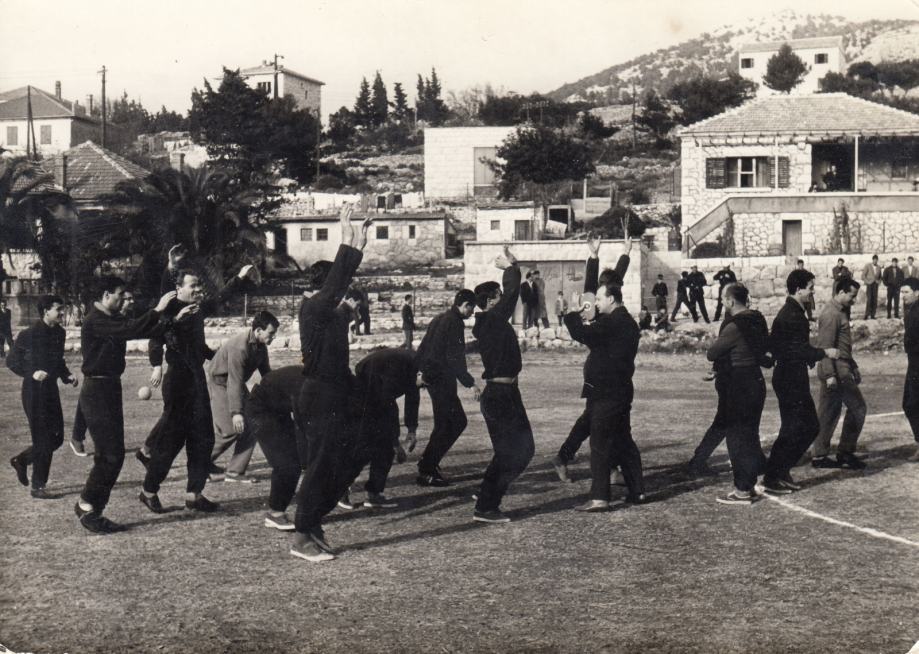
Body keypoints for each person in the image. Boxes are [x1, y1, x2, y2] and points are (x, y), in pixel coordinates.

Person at [291, 204, 372, 562]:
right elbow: (339, 279)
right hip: (319, 396)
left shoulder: (333, 314)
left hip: (338, 394)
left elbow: (342, 287)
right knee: (321, 464)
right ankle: (302, 535)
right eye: (335, 290)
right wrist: (347, 235)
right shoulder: (312, 308)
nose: (341, 295)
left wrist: (361, 242)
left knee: (358, 452)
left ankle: (315, 521)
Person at [70, 279, 179, 532]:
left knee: (112, 454)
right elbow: (131, 329)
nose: (124, 300)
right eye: (121, 295)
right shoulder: (97, 319)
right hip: (97, 390)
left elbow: (139, 329)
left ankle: (89, 506)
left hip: (108, 388)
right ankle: (88, 508)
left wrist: (172, 319)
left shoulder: (111, 317)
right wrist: (158, 310)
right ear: (106, 294)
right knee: (110, 456)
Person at [139, 269, 229, 514]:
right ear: (179, 287)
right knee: (170, 441)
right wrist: (157, 365)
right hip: (177, 379)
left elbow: (199, 346)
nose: (198, 289)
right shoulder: (170, 306)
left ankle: (194, 494)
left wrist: (221, 358)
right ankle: (148, 491)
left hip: (196, 379)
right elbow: (155, 336)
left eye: (199, 285)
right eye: (193, 285)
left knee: (203, 438)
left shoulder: (197, 310)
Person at [564, 255, 643, 512]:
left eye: (599, 299)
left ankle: (600, 497)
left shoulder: (612, 322)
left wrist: (572, 313)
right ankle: (637, 491)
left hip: (606, 393)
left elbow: (581, 333)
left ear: (610, 298)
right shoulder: (627, 321)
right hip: (621, 390)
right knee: (624, 441)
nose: (596, 303)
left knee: (599, 444)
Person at [552, 233, 632, 481]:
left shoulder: (610, 298)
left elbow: (615, 279)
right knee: (604, 420)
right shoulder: (595, 302)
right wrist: (595, 257)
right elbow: (589, 286)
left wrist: (624, 253)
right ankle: (609, 468)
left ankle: (571, 458)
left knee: (597, 419)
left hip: (609, 370)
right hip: (601, 370)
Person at [471, 246, 534, 523]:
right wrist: (512, 268)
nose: (504, 301)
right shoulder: (490, 320)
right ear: (490, 302)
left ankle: (486, 496)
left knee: (523, 450)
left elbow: (509, 296)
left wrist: (513, 269)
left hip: (508, 392)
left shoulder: (492, 321)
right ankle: (486, 505)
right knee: (513, 452)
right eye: (498, 297)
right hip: (498, 395)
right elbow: (512, 294)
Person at [762, 269, 839, 495]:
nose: (812, 291)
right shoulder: (792, 315)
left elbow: (780, 346)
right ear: (799, 289)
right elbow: (797, 349)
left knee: (797, 427)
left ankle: (779, 472)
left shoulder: (791, 312)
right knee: (803, 427)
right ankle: (772, 476)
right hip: (790, 378)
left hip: (790, 376)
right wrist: (825, 353)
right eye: (810, 287)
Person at [704, 284, 772, 505]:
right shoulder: (758, 319)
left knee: (737, 437)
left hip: (739, 382)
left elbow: (712, 353)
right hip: (755, 380)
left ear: (731, 301)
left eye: (724, 299)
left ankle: (742, 489)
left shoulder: (734, 326)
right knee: (749, 433)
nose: (723, 302)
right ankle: (749, 483)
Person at [7, 295, 77, 499]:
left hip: (50, 391)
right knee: (43, 439)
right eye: (58, 309)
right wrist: (32, 373)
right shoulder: (29, 334)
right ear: (46, 311)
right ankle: (38, 486)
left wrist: (67, 375)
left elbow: (58, 360)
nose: (62, 313)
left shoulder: (60, 333)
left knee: (56, 439)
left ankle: (21, 460)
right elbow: (12, 361)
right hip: (33, 392)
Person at [414, 289, 480, 487]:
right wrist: (470, 383)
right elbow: (455, 357)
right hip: (441, 380)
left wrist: (420, 372)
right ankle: (427, 469)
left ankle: (428, 464)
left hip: (434, 379)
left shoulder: (440, 318)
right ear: (465, 304)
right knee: (455, 422)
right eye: (471, 307)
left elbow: (423, 347)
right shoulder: (454, 322)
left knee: (446, 424)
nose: (472, 312)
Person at [206, 310, 278, 483]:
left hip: (235, 384)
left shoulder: (261, 346)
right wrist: (236, 412)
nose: (273, 337)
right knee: (230, 430)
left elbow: (266, 374)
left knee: (253, 424)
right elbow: (234, 380)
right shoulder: (240, 346)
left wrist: (280, 395)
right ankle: (199, 464)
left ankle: (235, 472)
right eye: (271, 333)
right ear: (259, 331)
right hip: (221, 383)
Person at [70, 288, 141, 457]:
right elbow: (128, 329)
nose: (130, 301)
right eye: (126, 298)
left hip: (111, 377)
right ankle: (77, 438)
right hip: (98, 377)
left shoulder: (118, 318)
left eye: (130, 298)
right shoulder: (100, 319)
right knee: (108, 446)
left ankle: (77, 437)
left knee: (88, 402)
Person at [812, 277, 867, 470]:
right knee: (858, 408)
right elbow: (825, 347)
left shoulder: (840, 311)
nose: (854, 300)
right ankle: (845, 453)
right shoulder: (831, 314)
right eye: (852, 296)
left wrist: (853, 365)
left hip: (841, 367)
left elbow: (841, 345)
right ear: (841, 292)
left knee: (828, 413)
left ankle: (819, 456)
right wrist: (830, 375)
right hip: (836, 370)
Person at [900, 278, 919, 462]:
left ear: (917, 292)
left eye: (906, 292)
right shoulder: (911, 309)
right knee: (910, 403)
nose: (902, 296)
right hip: (914, 363)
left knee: (912, 403)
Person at [861, 255, 881, 320]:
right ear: (872, 260)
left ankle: (873, 315)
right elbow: (863, 276)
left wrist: (879, 282)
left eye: (876, 260)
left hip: (875, 285)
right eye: (874, 259)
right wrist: (867, 282)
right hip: (869, 285)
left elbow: (880, 277)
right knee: (869, 299)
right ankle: (866, 314)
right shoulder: (868, 266)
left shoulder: (879, 267)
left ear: (877, 260)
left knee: (874, 300)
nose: (875, 261)